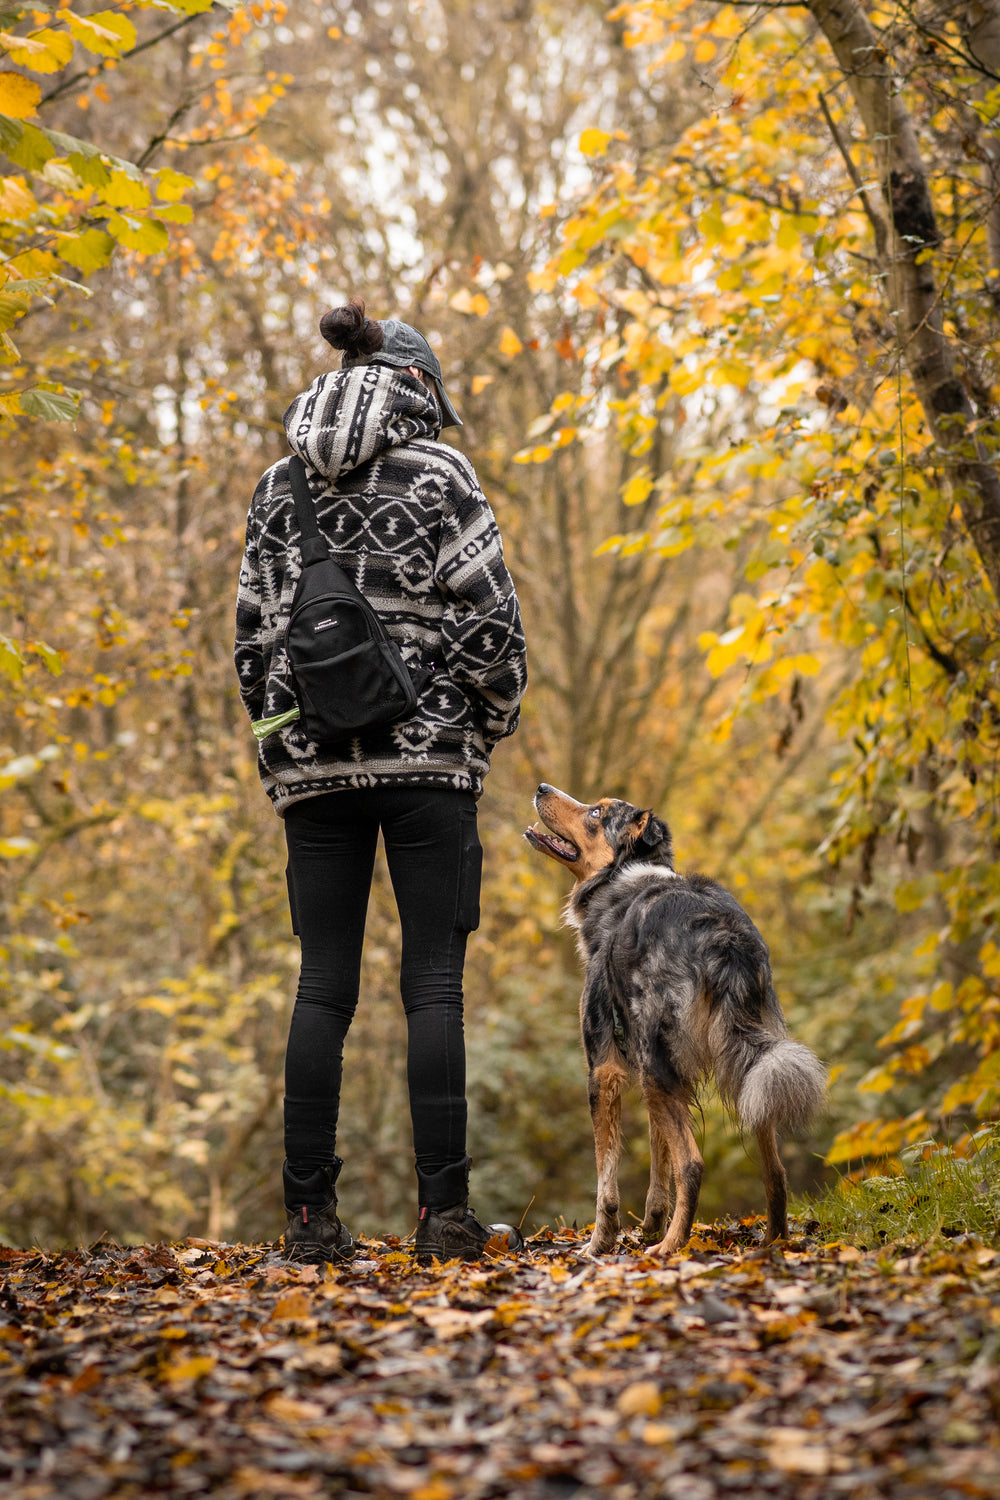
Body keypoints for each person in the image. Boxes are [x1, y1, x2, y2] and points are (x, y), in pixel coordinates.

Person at [234, 300, 528, 1263]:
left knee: (322, 987)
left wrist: (284, 746)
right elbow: (491, 630)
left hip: (313, 772)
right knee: (432, 988)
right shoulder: (441, 474)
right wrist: (481, 726)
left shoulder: (278, 487)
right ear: (415, 389)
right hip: (429, 767)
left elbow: (252, 641)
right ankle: (444, 1219)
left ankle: (311, 1224)